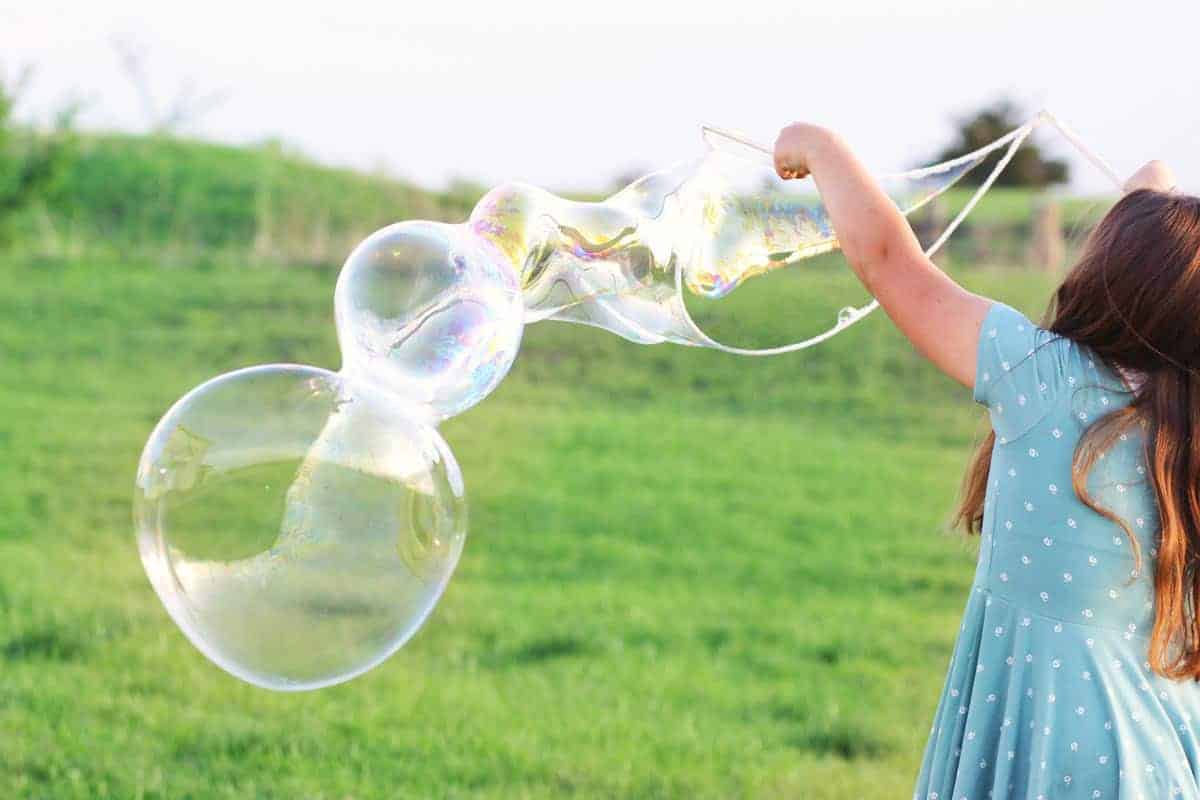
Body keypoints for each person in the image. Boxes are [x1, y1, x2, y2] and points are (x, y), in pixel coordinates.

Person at [774, 122, 1198, 799]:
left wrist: (819, 146)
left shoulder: (1042, 376)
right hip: (1158, 754)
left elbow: (887, 257)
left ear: (1111, 275)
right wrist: (1163, 217)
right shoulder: (1189, 430)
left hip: (1044, 749)